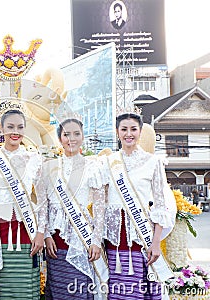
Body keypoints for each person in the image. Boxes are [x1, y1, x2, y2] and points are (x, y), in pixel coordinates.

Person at [102, 113, 174, 299]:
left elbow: (160, 206)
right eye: (124, 129)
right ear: (117, 132)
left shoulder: (153, 162)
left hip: (142, 240)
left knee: (139, 292)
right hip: (115, 241)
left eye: (133, 129)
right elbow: (101, 202)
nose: (129, 134)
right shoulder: (107, 163)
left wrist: (156, 243)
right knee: (118, 291)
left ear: (140, 132)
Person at [0, 107, 46, 299]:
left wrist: (40, 232)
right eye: (10, 126)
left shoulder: (34, 159)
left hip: (28, 231)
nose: (15, 132)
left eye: (19, 127)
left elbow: (42, 200)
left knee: (27, 286)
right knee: (4, 286)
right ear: (1, 129)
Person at [44, 118, 108, 299]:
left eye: (76, 134)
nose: (71, 139)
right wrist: (47, 235)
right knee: (58, 291)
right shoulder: (50, 168)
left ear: (83, 136)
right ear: (59, 139)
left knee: (79, 289)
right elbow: (44, 206)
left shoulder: (93, 166)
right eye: (66, 134)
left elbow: (99, 207)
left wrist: (95, 240)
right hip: (56, 243)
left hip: (83, 241)